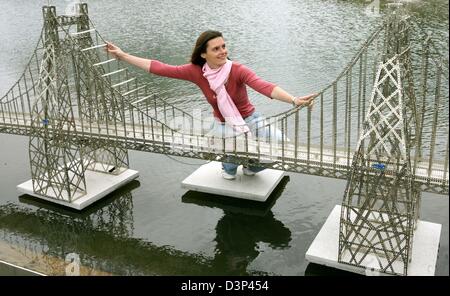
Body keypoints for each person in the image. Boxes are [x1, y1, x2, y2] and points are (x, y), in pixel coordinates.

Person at [106, 30, 316, 180]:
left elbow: (264, 87)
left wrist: (294, 100)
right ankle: (229, 165)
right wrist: (123, 56)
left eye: (224, 46)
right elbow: (160, 68)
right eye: (216, 49)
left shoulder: (237, 70)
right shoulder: (196, 71)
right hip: (223, 125)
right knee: (232, 161)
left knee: (284, 146)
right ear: (203, 54)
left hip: (251, 118)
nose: (223, 51)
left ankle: (252, 166)